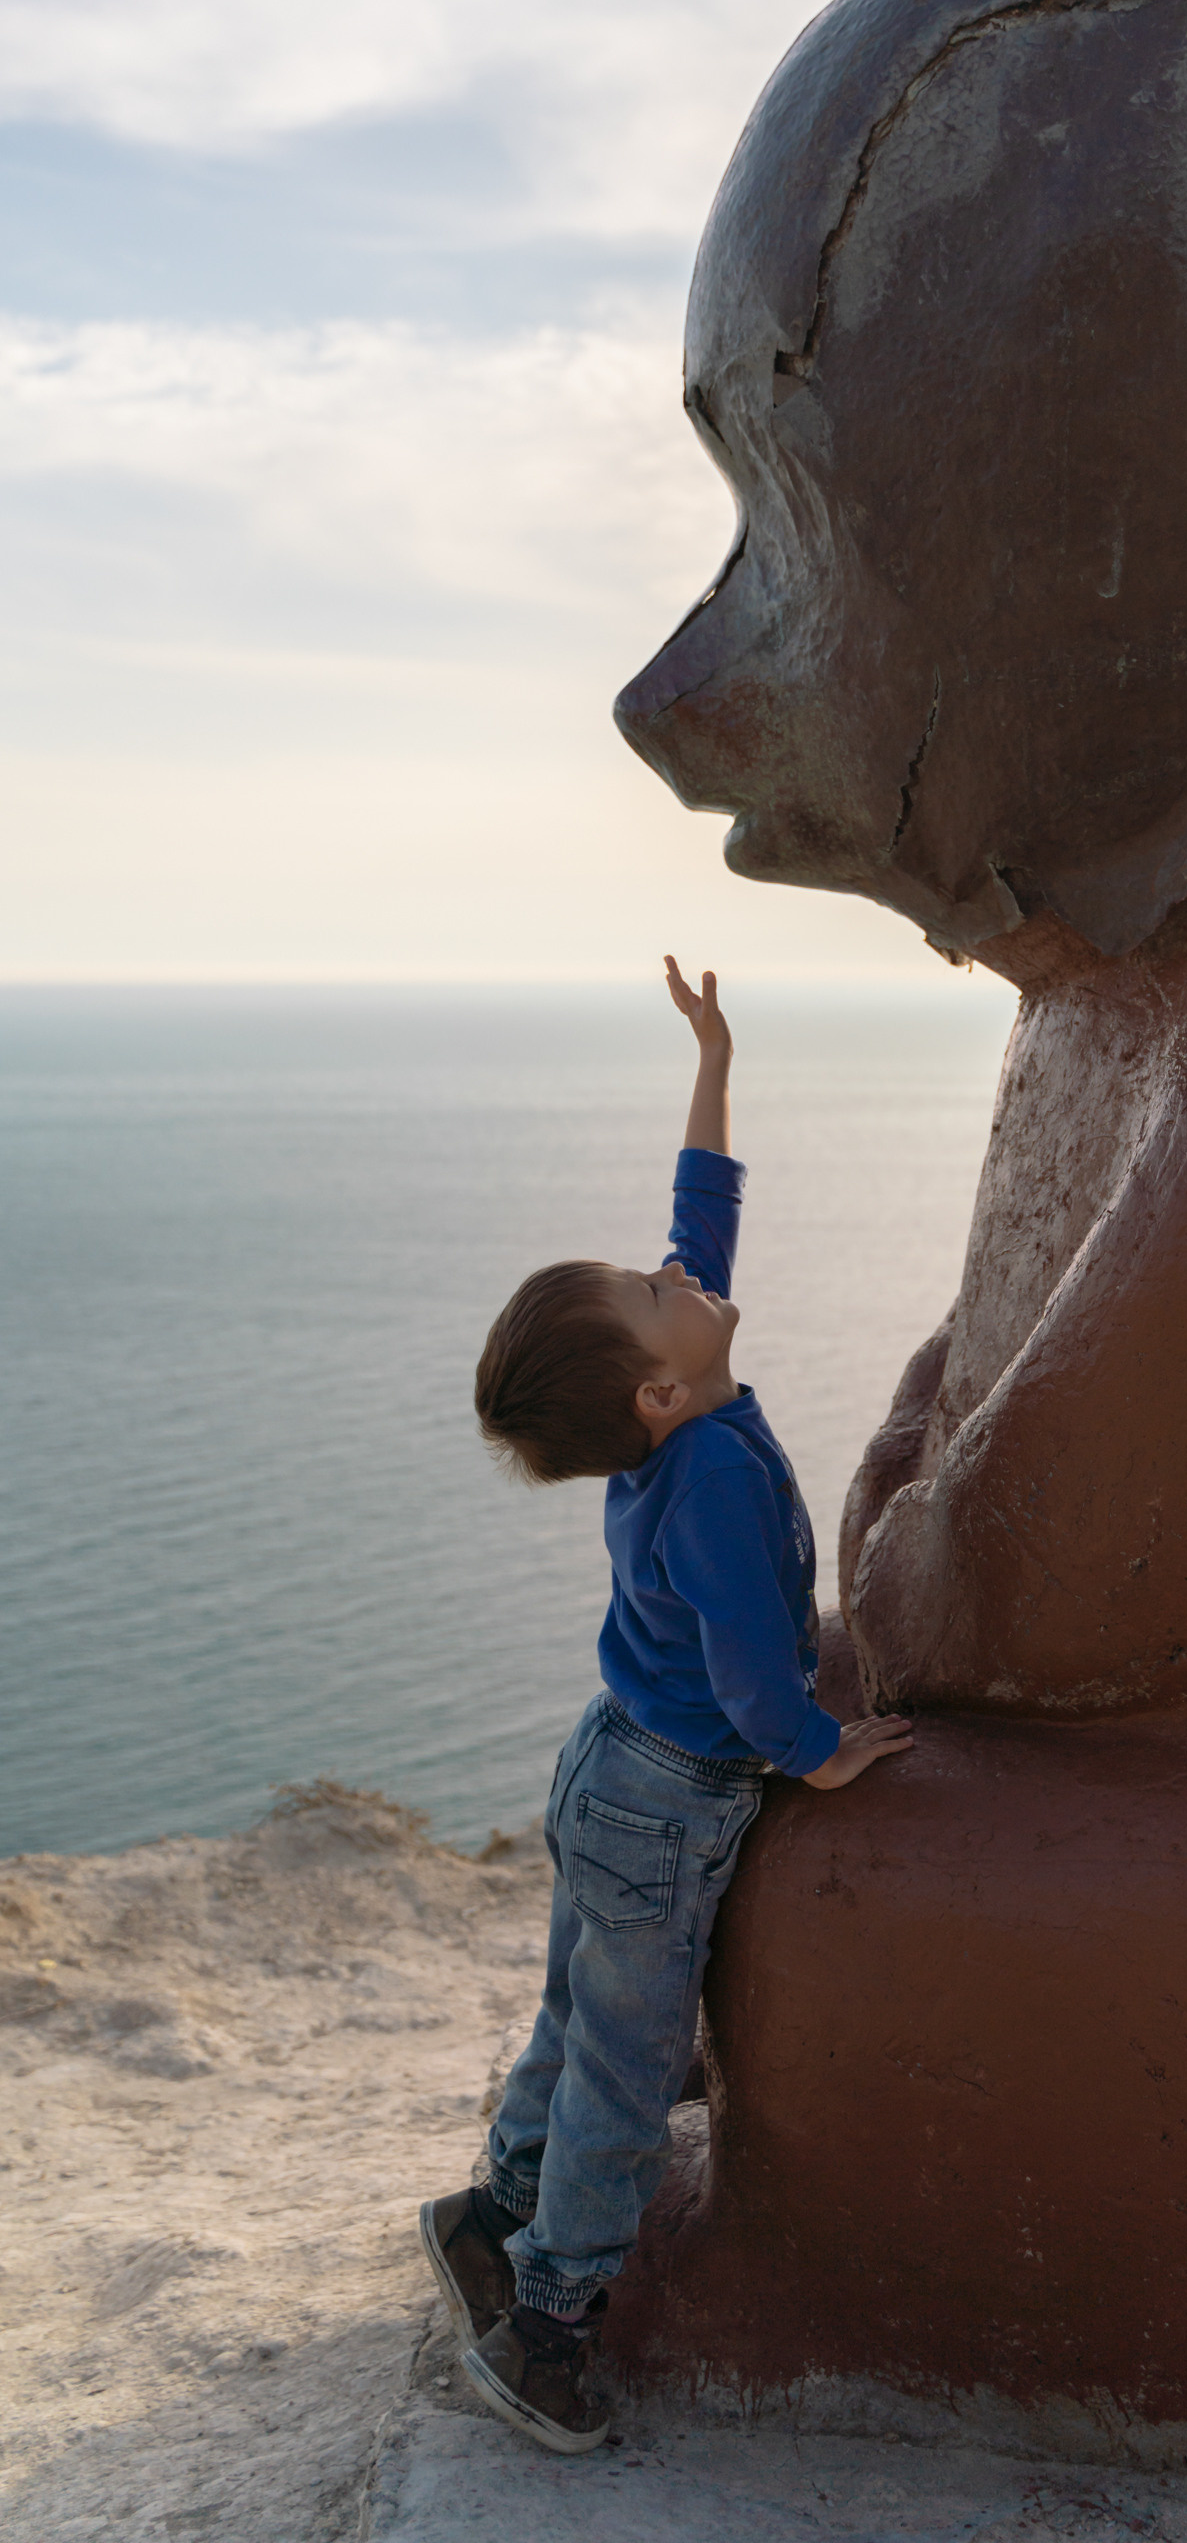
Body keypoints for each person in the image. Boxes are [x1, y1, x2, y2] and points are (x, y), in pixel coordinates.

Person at [419, 956, 913, 2453]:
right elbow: (756, 1674)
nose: (680, 1274)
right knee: (628, 2075)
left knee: (574, 2012)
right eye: (654, 1293)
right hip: (665, 1804)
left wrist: (713, 1064)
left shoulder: (670, 1408)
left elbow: (702, 1224)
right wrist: (818, 1756)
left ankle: (491, 2210)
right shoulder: (705, 1482)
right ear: (655, 1392)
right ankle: (549, 2330)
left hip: (605, 1769)